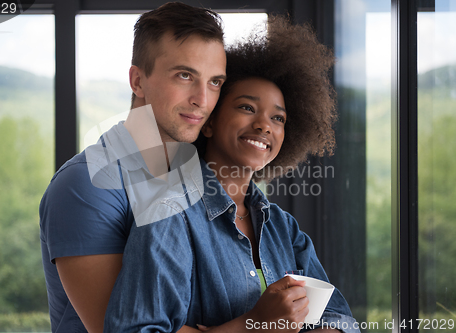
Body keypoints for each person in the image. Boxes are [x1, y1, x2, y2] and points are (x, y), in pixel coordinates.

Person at [104, 15, 360, 333]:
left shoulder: (283, 227)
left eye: (278, 118)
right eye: (247, 108)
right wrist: (253, 325)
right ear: (208, 121)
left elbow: (340, 317)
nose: (265, 125)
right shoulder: (168, 215)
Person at [39, 2, 226, 333]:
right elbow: (126, 327)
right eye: (185, 75)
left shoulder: (199, 180)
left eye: (215, 82)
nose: (203, 99)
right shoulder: (86, 185)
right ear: (138, 81)